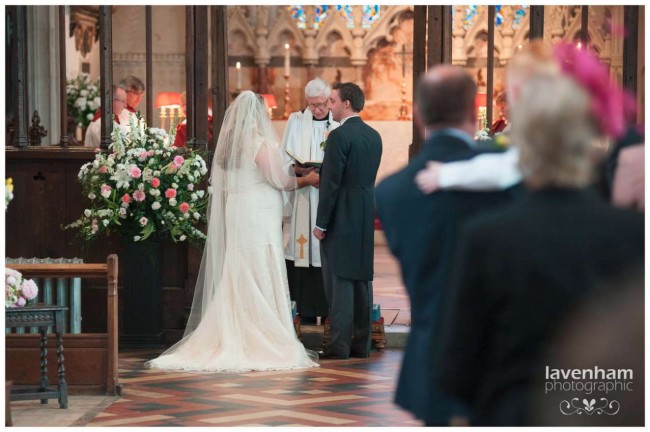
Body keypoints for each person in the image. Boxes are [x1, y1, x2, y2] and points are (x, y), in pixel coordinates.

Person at [437, 67, 644, 425]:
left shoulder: (488, 237)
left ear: (524, 147)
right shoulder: (634, 235)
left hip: (514, 413)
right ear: (590, 146)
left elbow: (457, 368)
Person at [375, 66, 515, 426]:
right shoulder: (505, 175)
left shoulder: (390, 193)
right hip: (501, 354)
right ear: (473, 112)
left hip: (430, 354)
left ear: (419, 114)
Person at [146, 91, 319, 372]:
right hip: (258, 214)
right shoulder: (258, 142)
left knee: (240, 267)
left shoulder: (228, 145)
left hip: (239, 210)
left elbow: (244, 177)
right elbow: (280, 181)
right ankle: (261, 334)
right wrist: (307, 179)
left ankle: (235, 325)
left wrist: (292, 168)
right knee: (259, 265)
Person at [313, 82, 382, 360]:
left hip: (342, 211)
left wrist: (321, 224)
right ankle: (361, 344)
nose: (329, 106)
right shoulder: (374, 135)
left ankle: (339, 347)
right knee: (362, 277)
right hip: (365, 210)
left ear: (346, 103)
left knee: (340, 278)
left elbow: (330, 184)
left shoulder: (340, 136)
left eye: (332, 101)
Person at [281, 78, 339, 324]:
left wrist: (324, 177)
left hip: (326, 197)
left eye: (321, 104)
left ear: (329, 100)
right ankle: (304, 313)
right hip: (303, 196)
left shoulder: (338, 126)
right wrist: (299, 171)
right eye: (312, 105)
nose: (316, 110)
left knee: (325, 254)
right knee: (302, 251)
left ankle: (328, 313)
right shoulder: (295, 121)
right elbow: (283, 157)